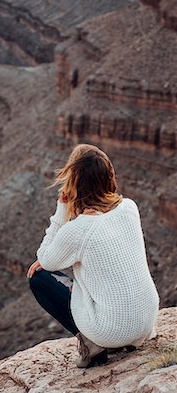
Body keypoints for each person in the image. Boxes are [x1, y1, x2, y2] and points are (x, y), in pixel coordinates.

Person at [27, 143, 160, 368]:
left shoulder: (79, 229)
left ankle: (93, 344)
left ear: (75, 184)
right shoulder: (129, 208)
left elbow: (46, 260)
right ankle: (124, 336)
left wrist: (61, 210)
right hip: (146, 322)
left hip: (112, 331)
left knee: (38, 278)